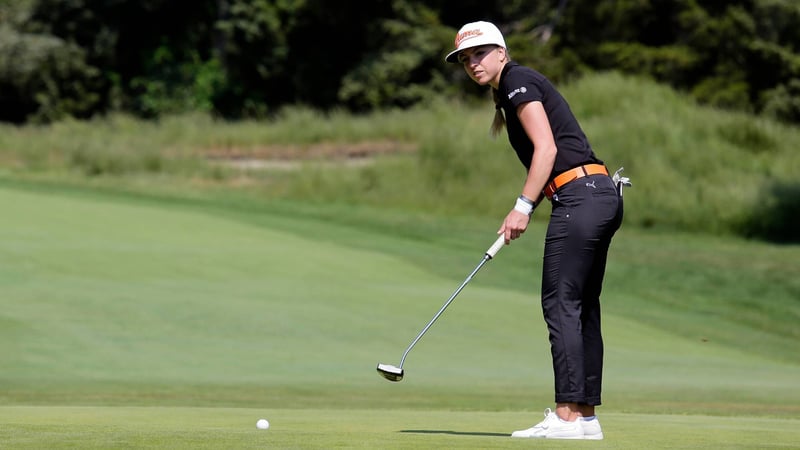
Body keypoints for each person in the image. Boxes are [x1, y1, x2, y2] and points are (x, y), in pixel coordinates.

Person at [445, 21, 626, 440]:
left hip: (581, 197)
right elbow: (548, 161)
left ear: (501, 52)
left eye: (480, 53)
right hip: (598, 194)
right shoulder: (510, 89)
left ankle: (565, 416)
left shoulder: (517, 81)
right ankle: (584, 418)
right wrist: (529, 203)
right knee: (580, 306)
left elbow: (546, 150)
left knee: (560, 303)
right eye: (466, 59)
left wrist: (522, 207)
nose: (473, 63)